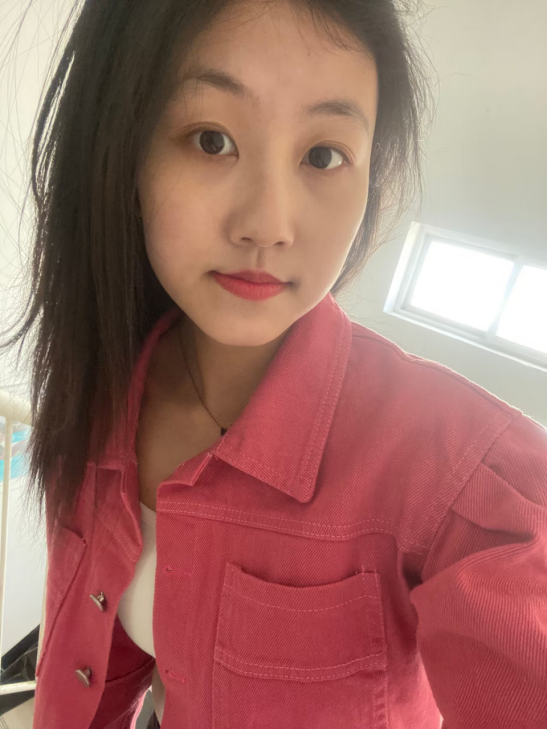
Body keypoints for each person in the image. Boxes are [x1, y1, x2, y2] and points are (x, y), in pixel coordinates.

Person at [3, 0, 545, 728]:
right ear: (121, 153)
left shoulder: (466, 477)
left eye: (323, 155)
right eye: (211, 140)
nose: (267, 224)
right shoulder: (106, 384)